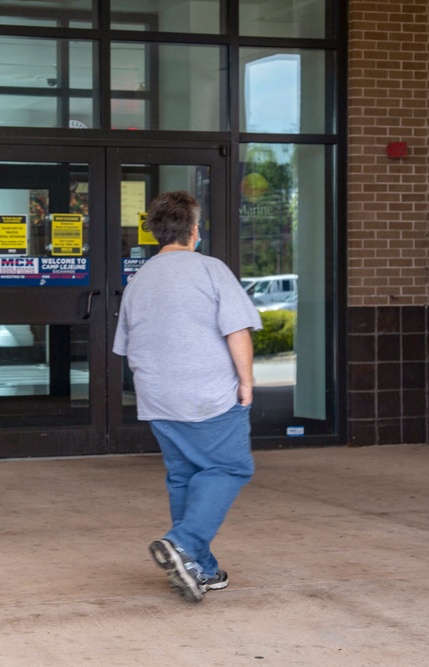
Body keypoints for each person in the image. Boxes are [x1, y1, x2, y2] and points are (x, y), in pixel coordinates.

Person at [113, 191, 261, 602]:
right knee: (230, 468)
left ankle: (199, 568)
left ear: (156, 233)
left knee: (187, 476)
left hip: (158, 397)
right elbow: (237, 331)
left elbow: (125, 346)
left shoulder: (138, 281)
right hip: (208, 394)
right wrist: (246, 382)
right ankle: (183, 542)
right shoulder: (210, 269)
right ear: (195, 231)